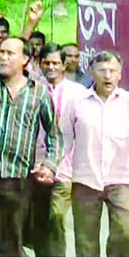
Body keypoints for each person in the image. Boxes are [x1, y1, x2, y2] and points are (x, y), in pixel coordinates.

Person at [0, 36, 63, 256]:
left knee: (11, 238)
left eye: (10, 53)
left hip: (18, 177)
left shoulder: (38, 92)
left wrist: (50, 165)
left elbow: (54, 135)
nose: (4, 57)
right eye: (2, 52)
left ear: (25, 60)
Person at [61, 51, 129, 257]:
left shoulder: (127, 102)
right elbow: (64, 139)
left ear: (120, 74)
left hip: (122, 179)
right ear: (91, 72)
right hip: (85, 179)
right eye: (102, 70)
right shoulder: (77, 102)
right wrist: (61, 171)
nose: (107, 76)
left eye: (112, 71)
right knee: (86, 239)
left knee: (124, 233)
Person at [28, 43, 86, 257]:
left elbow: (81, 132)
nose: (51, 67)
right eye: (46, 63)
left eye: (55, 63)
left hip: (65, 167)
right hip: (35, 165)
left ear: (64, 65)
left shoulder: (78, 94)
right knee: (39, 220)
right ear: (40, 64)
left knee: (57, 217)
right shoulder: (31, 89)